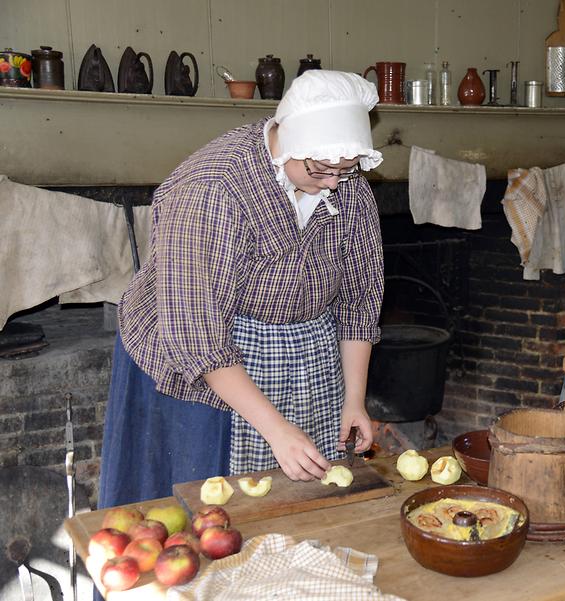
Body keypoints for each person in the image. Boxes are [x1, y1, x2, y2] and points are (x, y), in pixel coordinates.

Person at [98, 70, 385, 509]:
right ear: (290, 144)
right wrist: (275, 429)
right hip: (198, 357)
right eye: (322, 170)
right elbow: (197, 332)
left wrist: (354, 400)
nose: (333, 184)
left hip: (303, 352)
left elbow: (359, 300)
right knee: (205, 507)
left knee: (299, 497)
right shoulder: (213, 190)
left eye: (345, 172)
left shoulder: (346, 187)